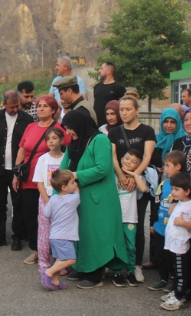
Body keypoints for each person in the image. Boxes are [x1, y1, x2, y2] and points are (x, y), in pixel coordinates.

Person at [59, 109, 129, 289]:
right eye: (66, 129)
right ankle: (84, 267)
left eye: (70, 128)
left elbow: (102, 168)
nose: (68, 133)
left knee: (96, 235)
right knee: (83, 234)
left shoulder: (100, 140)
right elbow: (62, 169)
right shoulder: (73, 145)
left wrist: (74, 175)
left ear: (79, 126)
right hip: (80, 198)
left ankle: (96, 273)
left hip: (99, 199)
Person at [13, 95, 68, 264]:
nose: (41, 109)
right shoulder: (30, 126)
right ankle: (35, 249)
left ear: (53, 110)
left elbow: (67, 152)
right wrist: (16, 174)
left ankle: (57, 251)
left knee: (55, 216)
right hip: (30, 177)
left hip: (52, 181)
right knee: (30, 214)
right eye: (39, 106)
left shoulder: (59, 128)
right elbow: (21, 151)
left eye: (45, 106)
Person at [108, 95, 156, 283]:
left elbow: (147, 155)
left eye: (128, 109)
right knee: (118, 224)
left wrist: (134, 176)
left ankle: (135, 265)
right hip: (118, 183)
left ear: (137, 110)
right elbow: (112, 155)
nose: (124, 113)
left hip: (138, 181)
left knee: (136, 225)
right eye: (122, 109)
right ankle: (119, 265)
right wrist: (121, 175)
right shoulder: (114, 132)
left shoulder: (147, 131)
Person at [0, 90, 33, 249]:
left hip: (17, 170)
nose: (15, 110)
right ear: (3, 104)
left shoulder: (27, 119)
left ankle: (18, 236)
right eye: (11, 107)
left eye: (17, 106)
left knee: (18, 204)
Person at [112, 148, 154, 287]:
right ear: (121, 159)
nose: (129, 162)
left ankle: (130, 272)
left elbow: (143, 189)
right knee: (117, 245)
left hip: (130, 218)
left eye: (134, 162)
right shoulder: (114, 175)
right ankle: (116, 272)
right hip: (116, 218)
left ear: (138, 166)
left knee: (131, 246)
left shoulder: (138, 178)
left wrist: (134, 175)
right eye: (127, 158)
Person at [148, 150, 185, 291]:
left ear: (178, 167)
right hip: (160, 227)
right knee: (161, 254)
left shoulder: (184, 184)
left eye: (168, 165)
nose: (165, 168)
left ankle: (172, 279)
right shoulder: (163, 183)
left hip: (174, 228)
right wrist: (153, 222)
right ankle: (162, 277)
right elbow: (156, 203)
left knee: (172, 256)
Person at [32, 127, 66, 273]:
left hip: (64, 201)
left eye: (54, 138)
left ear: (62, 140)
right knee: (44, 233)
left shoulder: (66, 158)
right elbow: (39, 182)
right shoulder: (43, 159)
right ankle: (44, 262)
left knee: (63, 233)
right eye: (48, 139)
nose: (51, 141)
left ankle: (61, 263)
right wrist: (47, 200)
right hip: (46, 199)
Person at [161, 171, 191, 311]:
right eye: (173, 189)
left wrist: (182, 223)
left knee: (181, 273)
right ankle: (176, 291)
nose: (173, 192)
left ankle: (179, 296)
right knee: (175, 270)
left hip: (181, 244)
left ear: (187, 191)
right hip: (172, 243)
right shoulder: (180, 203)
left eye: (177, 189)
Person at [41, 168, 80, 291]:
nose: (75, 184)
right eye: (73, 183)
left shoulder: (53, 199)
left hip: (54, 236)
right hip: (65, 236)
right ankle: (48, 272)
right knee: (71, 259)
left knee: (60, 260)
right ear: (64, 187)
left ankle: (55, 281)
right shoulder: (73, 199)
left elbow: (46, 214)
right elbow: (78, 193)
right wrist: (77, 180)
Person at [92, 62, 126, 127]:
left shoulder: (119, 88)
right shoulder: (97, 86)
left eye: (101, 68)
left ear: (108, 71)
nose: (99, 71)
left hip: (112, 125)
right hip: (97, 125)